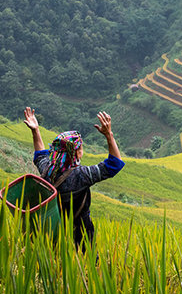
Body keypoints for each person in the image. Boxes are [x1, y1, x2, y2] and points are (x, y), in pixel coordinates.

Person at [23, 107, 125, 250]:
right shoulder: (82, 175)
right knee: (84, 266)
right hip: (80, 234)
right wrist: (109, 135)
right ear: (76, 153)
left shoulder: (47, 169)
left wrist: (35, 130)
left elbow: (40, 154)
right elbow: (115, 164)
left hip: (52, 233)